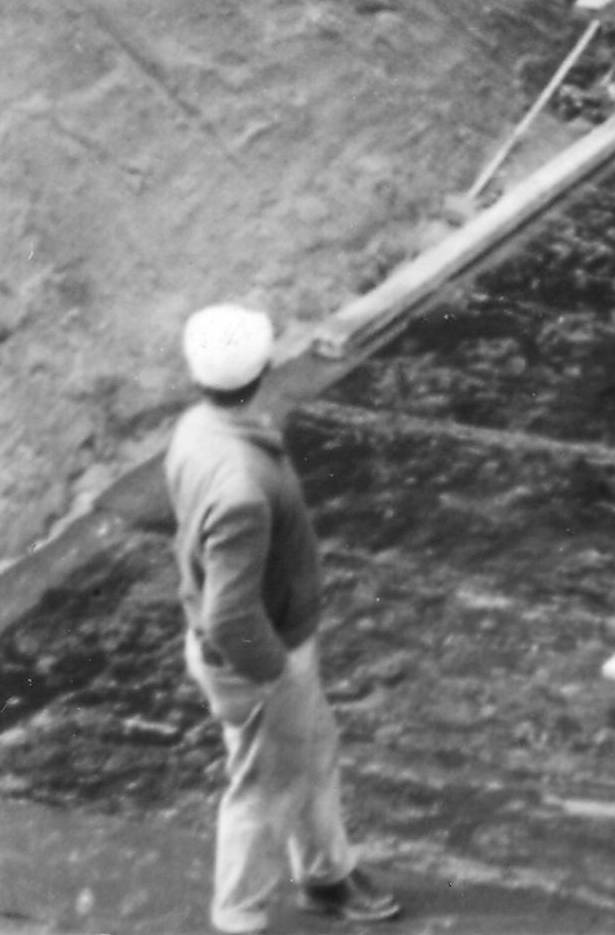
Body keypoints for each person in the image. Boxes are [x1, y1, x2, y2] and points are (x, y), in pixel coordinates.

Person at [165, 305, 402, 929]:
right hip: (260, 655)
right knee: (261, 791)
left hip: (264, 646)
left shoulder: (198, 428)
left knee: (312, 750)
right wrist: (275, 676)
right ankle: (238, 918)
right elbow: (228, 613)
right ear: (266, 369)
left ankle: (326, 874)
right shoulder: (243, 484)